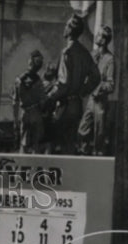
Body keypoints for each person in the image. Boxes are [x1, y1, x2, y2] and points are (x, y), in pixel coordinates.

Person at [44, 15, 100, 154]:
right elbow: (96, 76)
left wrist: (49, 97)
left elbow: (63, 83)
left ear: (70, 29)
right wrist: (82, 91)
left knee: (54, 147)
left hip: (64, 108)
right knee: (70, 147)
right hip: (76, 106)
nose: (64, 27)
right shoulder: (84, 52)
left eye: (66, 25)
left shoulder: (67, 52)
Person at [78, 24, 116, 155]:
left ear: (104, 40)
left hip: (100, 102)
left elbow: (111, 85)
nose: (96, 36)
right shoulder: (92, 55)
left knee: (99, 136)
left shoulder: (110, 59)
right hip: (90, 101)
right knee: (82, 130)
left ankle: (97, 159)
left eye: (99, 35)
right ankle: (84, 153)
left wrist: (98, 88)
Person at [11, 49, 47, 154]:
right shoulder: (39, 82)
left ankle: (22, 167)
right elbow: (43, 102)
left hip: (24, 113)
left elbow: (15, 102)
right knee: (36, 144)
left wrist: (15, 121)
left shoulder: (18, 80)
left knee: (23, 144)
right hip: (36, 114)